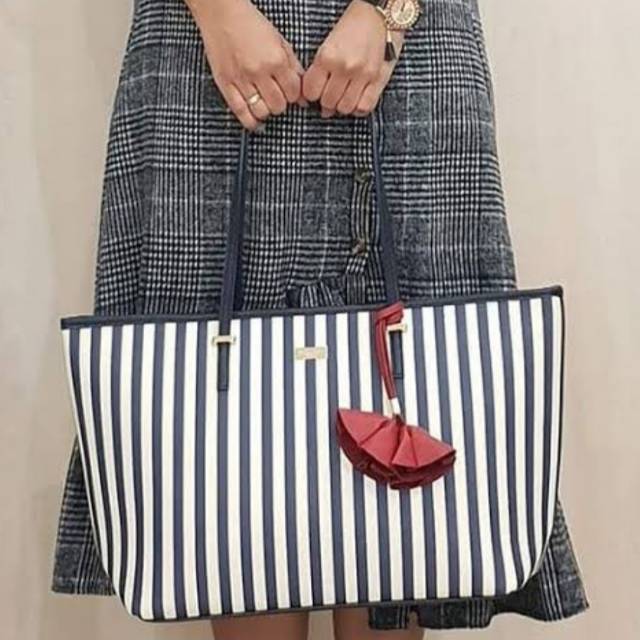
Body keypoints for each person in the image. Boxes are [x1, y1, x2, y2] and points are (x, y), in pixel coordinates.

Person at [51, 0, 589, 637]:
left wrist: (387, 14)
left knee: (413, 418)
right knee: (230, 471)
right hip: (207, 56)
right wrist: (220, 14)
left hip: (410, 55)